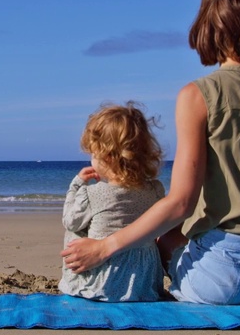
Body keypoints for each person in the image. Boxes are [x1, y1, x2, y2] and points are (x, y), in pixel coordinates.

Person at [61, 0, 240, 305]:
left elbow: (181, 203)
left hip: (224, 279)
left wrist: (104, 246)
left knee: (164, 238)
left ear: (208, 30)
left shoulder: (198, 95)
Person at [59, 103, 168, 301]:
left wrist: (77, 185)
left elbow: (69, 221)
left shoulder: (92, 194)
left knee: (75, 229)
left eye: (93, 154)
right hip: (143, 283)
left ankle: (74, 282)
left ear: (107, 157)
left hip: (104, 283)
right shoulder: (155, 189)